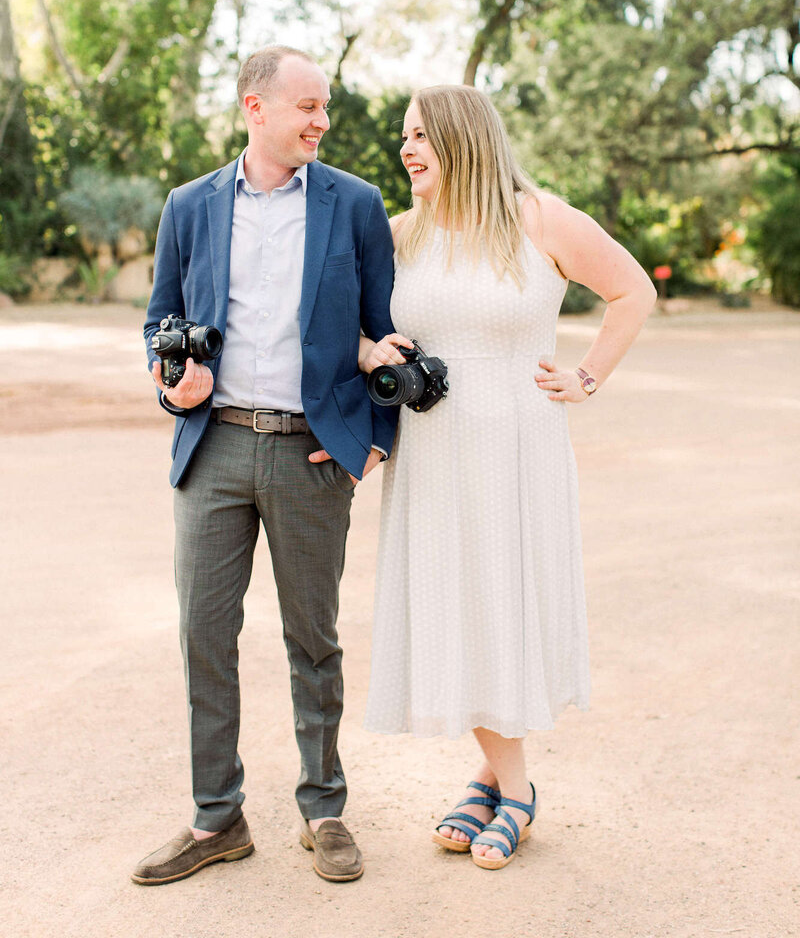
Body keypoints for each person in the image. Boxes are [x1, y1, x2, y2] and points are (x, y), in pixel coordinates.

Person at [359, 84, 656, 870]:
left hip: (520, 450)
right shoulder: (397, 235)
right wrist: (369, 353)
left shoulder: (542, 219)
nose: (406, 149)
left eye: (420, 135)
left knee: (504, 604)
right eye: (404, 138)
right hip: (433, 454)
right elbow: (353, 328)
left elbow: (634, 290)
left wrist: (588, 376)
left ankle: (514, 791)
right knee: (462, 607)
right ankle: (495, 777)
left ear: (462, 138)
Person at [133, 45, 398, 886]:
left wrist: (374, 441)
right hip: (212, 449)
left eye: (326, 108)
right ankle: (218, 818)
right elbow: (158, 323)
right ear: (255, 107)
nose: (322, 120)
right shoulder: (190, 205)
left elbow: (387, 335)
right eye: (308, 106)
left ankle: (324, 807)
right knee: (203, 635)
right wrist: (174, 385)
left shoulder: (356, 205)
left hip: (312, 455)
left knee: (311, 639)